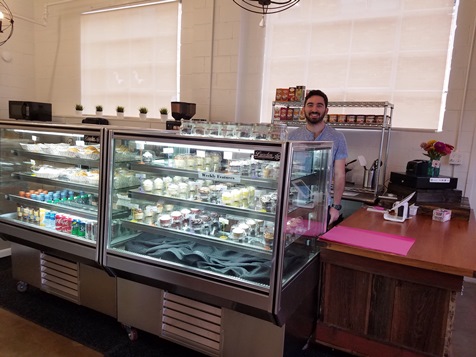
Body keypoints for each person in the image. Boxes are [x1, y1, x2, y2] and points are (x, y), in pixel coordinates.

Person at [288, 89, 348, 227]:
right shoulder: (292, 136)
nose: (314, 109)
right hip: (294, 204)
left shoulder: (337, 138)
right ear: (303, 109)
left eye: (319, 105)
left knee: (317, 245)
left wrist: (336, 207)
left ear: (326, 110)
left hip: (321, 205)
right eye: (310, 105)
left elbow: (339, 174)